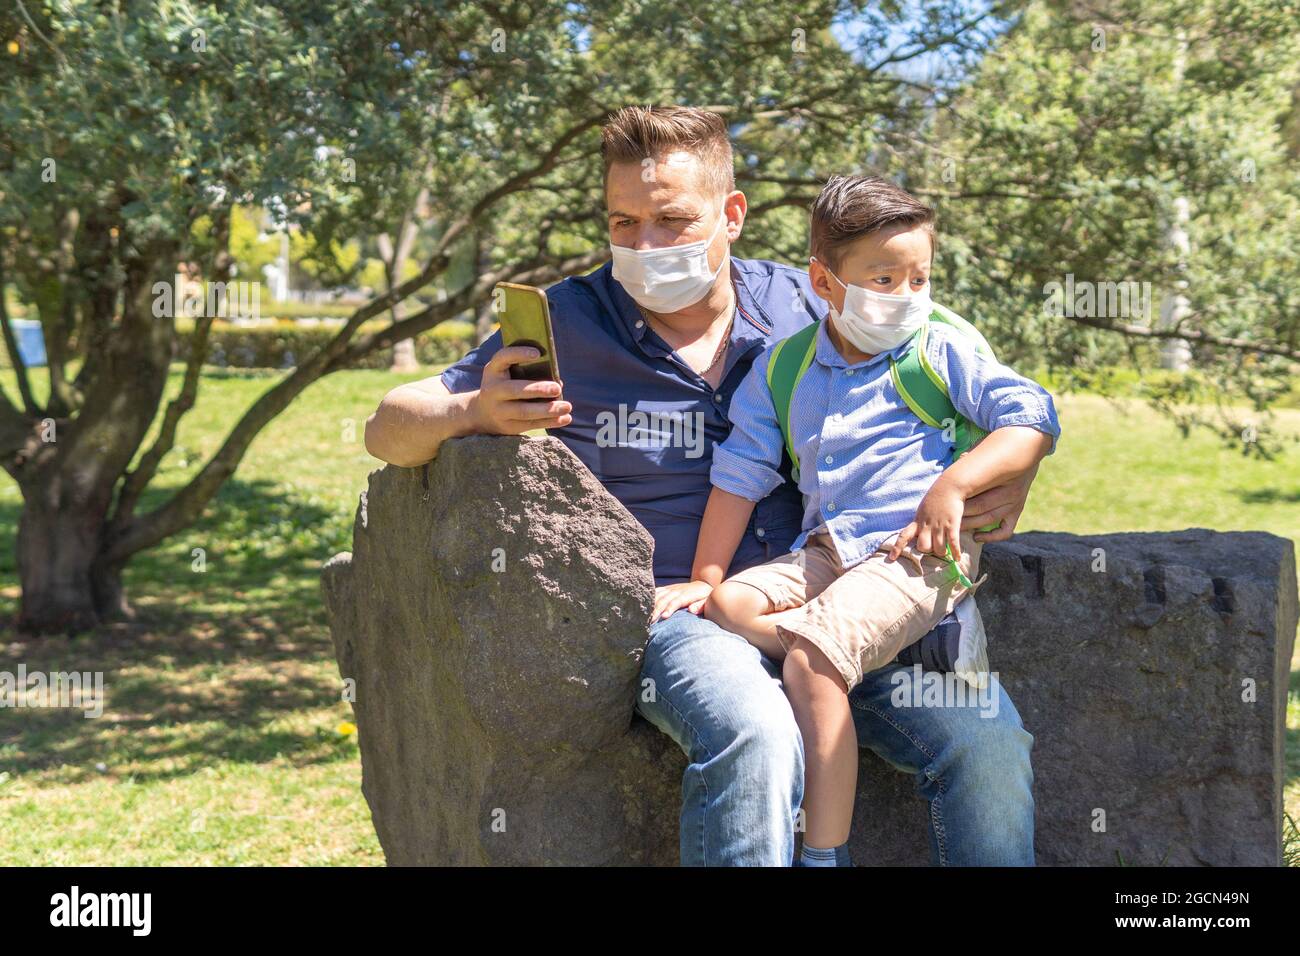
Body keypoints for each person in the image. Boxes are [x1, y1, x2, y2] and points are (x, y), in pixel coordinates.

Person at [364, 105, 1044, 866]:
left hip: (847, 584)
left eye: (672, 220)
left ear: (733, 215)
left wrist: (996, 483)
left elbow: (974, 382)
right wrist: (469, 409)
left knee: (983, 748)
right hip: (676, 610)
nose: (645, 244)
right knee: (755, 728)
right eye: (623, 222)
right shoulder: (568, 321)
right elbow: (388, 425)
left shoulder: (810, 302)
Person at [653, 175, 1060, 866]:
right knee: (729, 603)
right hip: (831, 550)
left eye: (919, 277)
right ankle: (865, 649)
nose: (905, 295)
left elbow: (1032, 417)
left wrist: (954, 484)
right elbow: (740, 474)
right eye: (883, 277)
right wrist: (705, 575)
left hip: (916, 552)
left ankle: (822, 852)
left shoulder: (937, 350)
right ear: (825, 281)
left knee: (810, 662)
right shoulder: (785, 368)